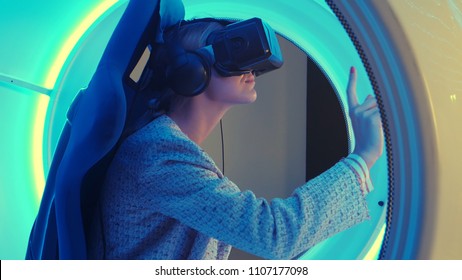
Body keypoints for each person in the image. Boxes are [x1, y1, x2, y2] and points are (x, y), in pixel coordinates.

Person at [86, 18, 383, 260]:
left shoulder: (169, 149)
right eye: (229, 51)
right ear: (191, 71)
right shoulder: (158, 154)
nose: (249, 65)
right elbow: (273, 235)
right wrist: (363, 156)